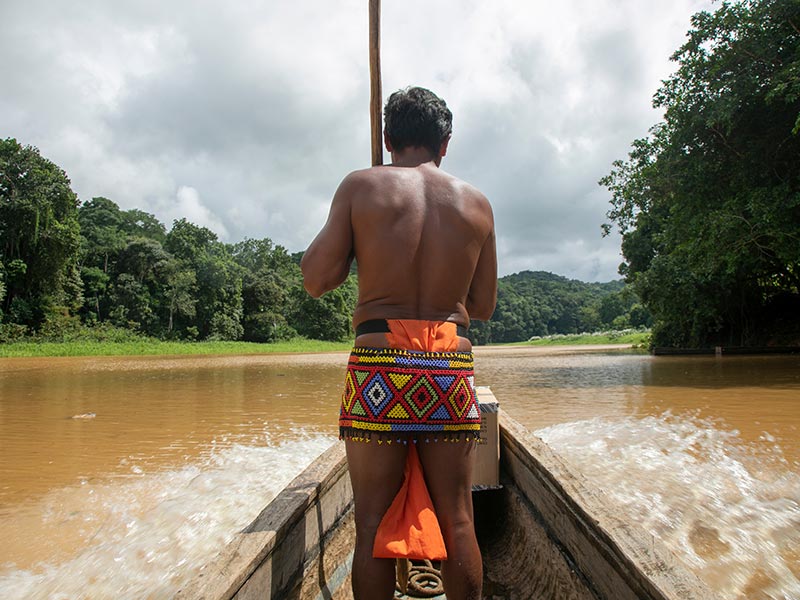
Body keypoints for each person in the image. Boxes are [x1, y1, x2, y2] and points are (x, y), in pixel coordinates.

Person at [301, 86, 497, 600]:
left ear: (388, 138)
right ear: (445, 144)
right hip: (447, 368)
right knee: (458, 521)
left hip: (380, 366)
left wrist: (356, 236)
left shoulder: (360, 186)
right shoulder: (476, 203)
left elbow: (316, 279)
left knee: (370, 522)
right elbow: (483, 305)